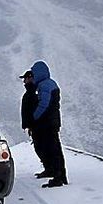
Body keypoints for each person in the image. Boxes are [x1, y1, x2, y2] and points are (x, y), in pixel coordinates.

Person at [29, 60, 68, 188]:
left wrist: (34, 117)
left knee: (52, 149)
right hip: (52, 122)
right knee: (53, 148)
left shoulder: (44, 86)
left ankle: (58, 177)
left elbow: (43, 104)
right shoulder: (50, 84)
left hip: (48, 123)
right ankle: (56, 173)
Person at [19, 69, 47, 171]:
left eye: (25, 79)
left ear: (30, 78)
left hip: (37, 125)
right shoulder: (32, 92)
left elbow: (32, 110)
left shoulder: (32, 93)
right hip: (35, 125)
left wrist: (31, 124)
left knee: (40, 147)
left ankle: (49, 169)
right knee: (39, 147)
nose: (24, 82)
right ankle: (48, 168)